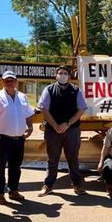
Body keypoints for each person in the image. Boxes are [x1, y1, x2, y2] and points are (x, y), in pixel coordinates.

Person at [38, 65, 88, 196]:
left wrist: (68, 124)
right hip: (52, 130)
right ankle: (48, 185)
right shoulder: (48, 89)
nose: (63, 75)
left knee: (73, 158)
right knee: (52, 159)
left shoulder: (76, 91)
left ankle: (77, 185)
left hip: (72, 130)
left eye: (65, 73)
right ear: (56, 76)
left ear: (69, 76)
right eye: (60, 73)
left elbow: (82, 109)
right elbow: (43, 108)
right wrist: (55, 125)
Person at [0, 70, 35, 205]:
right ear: (2, 82)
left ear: (16, 81)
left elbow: (28, 113)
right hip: (3, 138)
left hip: (19, 139)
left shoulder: (23, 97)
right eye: (6, 80)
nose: (9, 82)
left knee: (15, 167)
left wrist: (30, 127)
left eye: (12, 80)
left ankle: (13, 191)